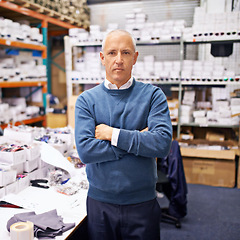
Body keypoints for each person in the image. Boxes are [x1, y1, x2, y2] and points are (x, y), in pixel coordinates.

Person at [75, 29, 172, 240]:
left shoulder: (153, 96)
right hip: (100, 203)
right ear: (102, 58)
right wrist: (138, 140)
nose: (118, 60)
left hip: (142, 203)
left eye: (125, 53)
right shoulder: (86, 100)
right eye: (112, 53)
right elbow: (86, 151)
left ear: (135, 57)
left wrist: (112, 134)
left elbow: (162, 144)